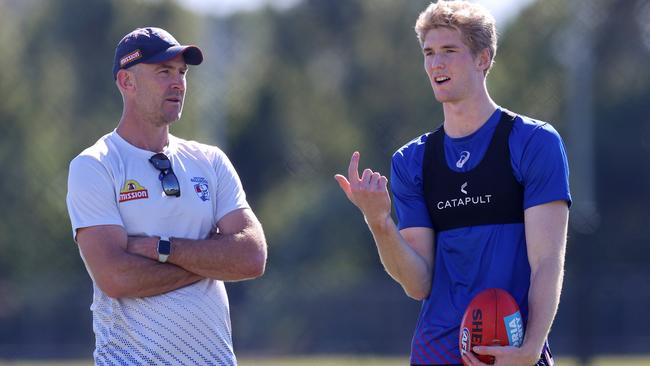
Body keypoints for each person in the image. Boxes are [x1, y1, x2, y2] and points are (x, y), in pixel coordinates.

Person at [335, 2, 570, 365]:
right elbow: (418, 284)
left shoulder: (534, 142)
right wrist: (379, 223)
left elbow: (547, 262)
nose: (435, 64)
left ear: (483, 59)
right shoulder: (411, 161)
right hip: (435, 354)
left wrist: (530, 348)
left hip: (514, 354)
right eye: (428, 53)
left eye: (449, 51)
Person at [66, 27, 267, 366]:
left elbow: (251, 258)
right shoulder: (95, 165)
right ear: (126, 83)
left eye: (181, 73)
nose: (178, 83)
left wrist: (164, 249)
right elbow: (116, 277)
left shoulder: (210, 160)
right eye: (163, 72)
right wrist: (212, 261)